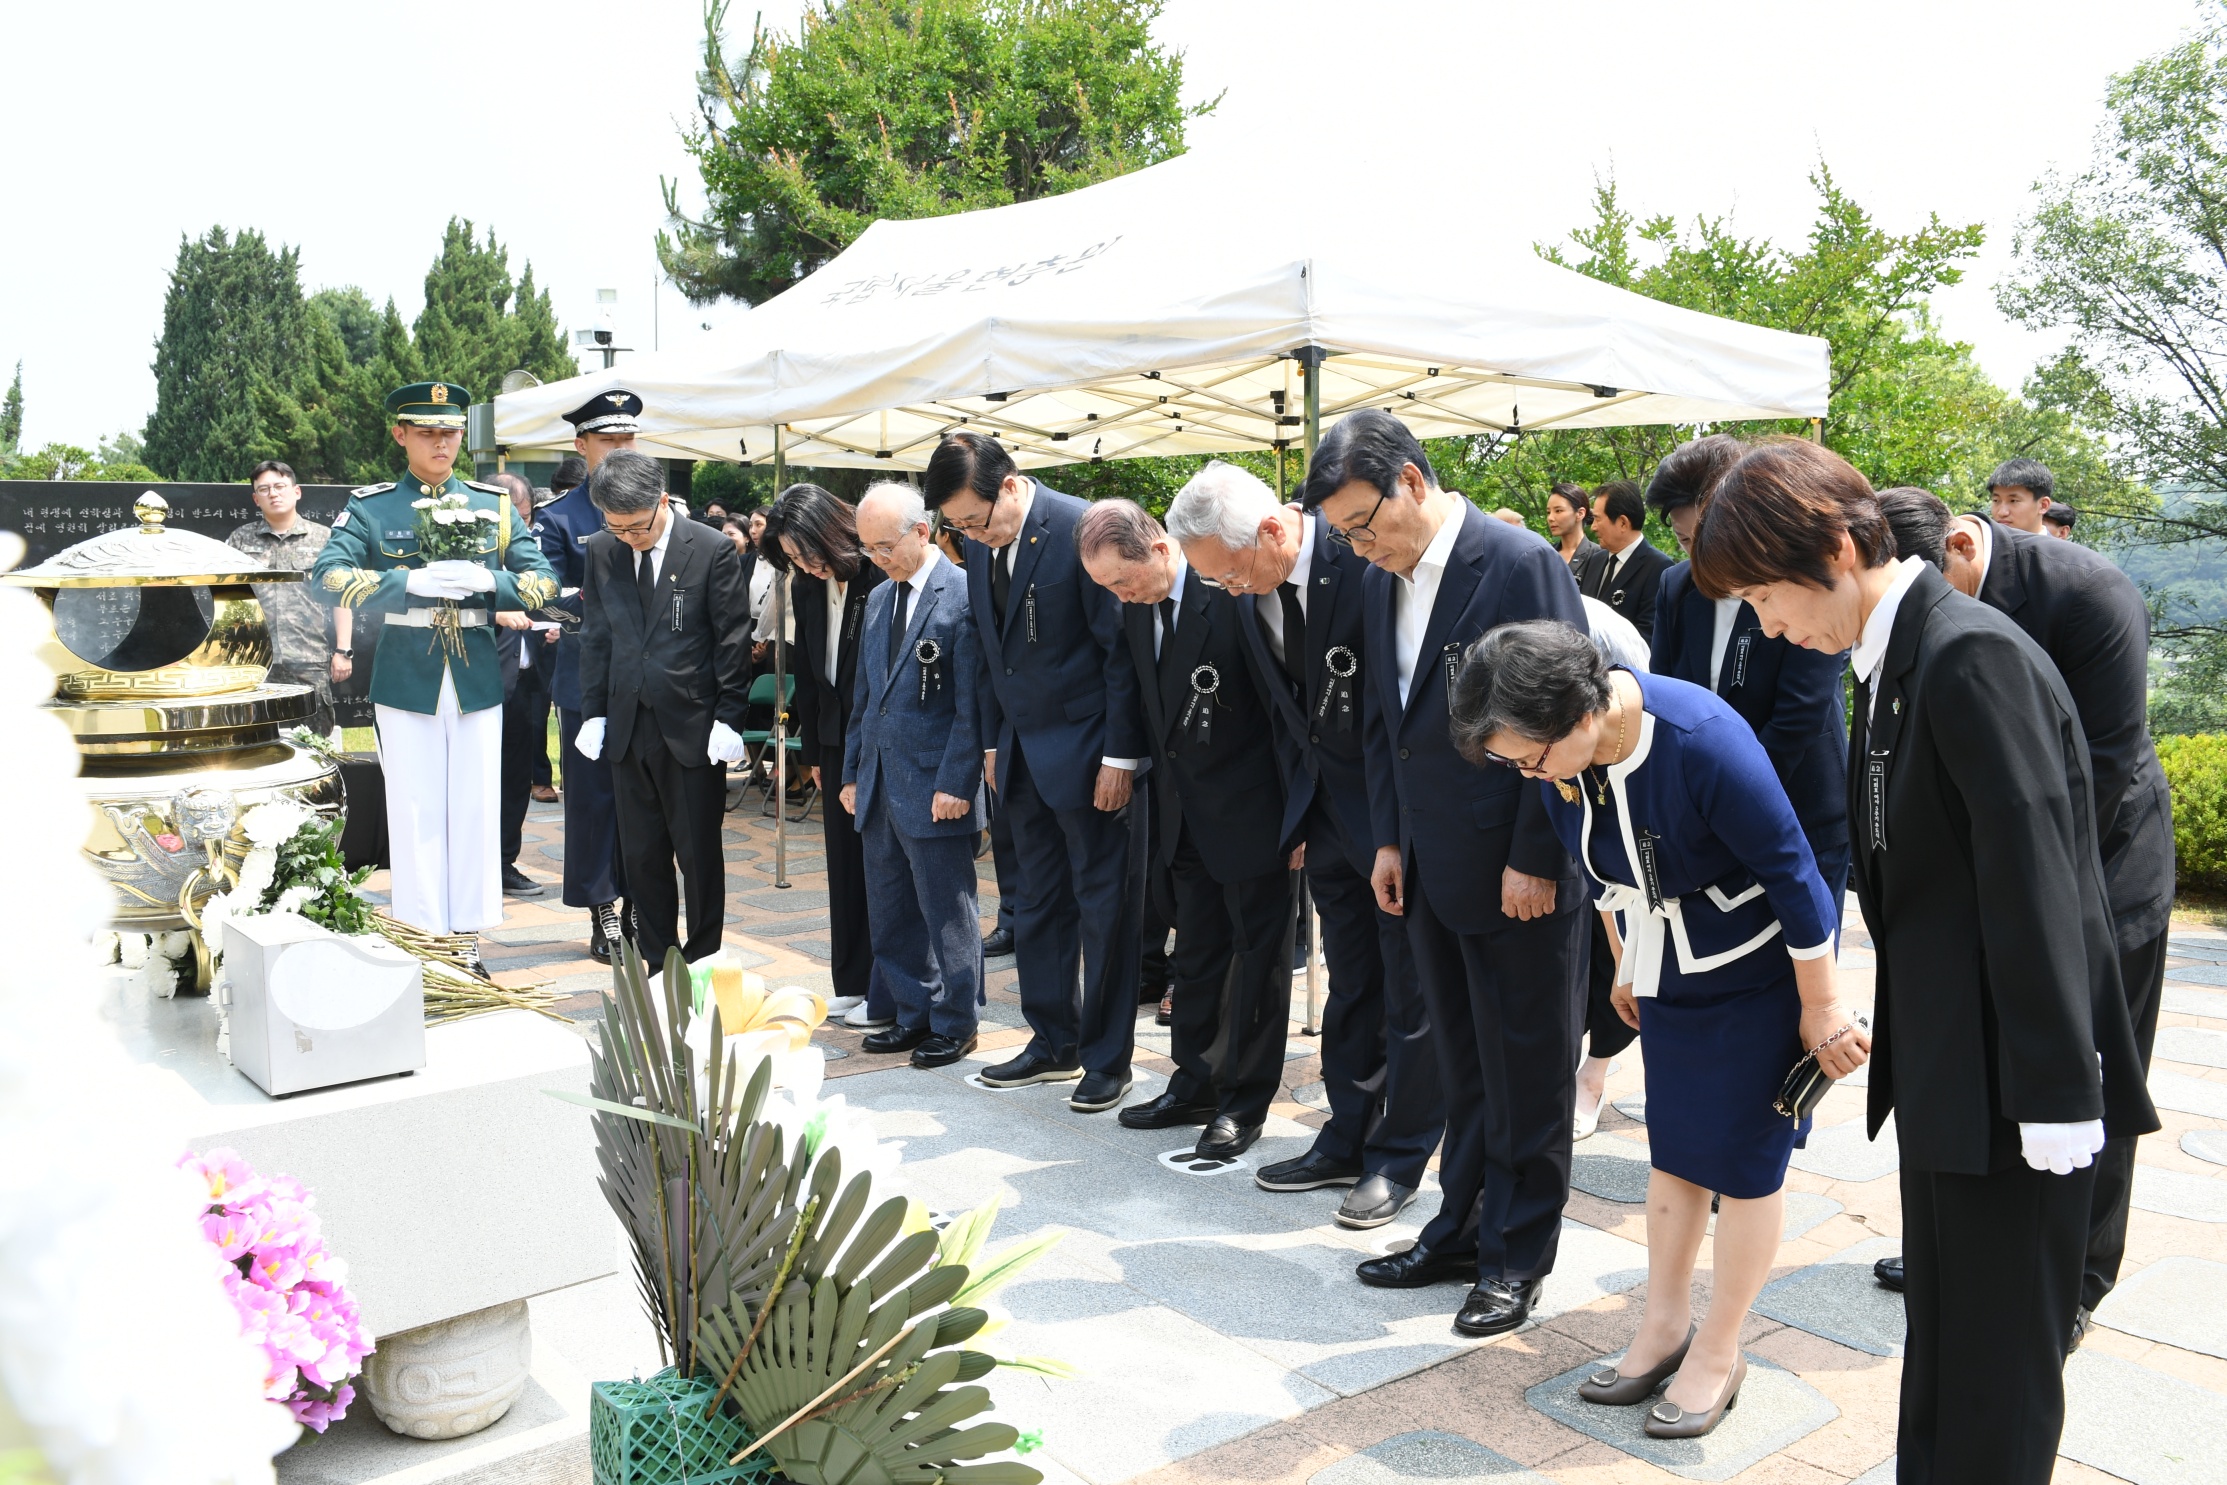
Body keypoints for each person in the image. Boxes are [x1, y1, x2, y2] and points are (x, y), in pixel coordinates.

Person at [1693, 438, 2157, 1485]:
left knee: (1997, 1364)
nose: (1767, 625)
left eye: (1766, 596)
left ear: (1835, 548)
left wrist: (2052, 1090)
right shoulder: (1894, 656)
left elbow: (2036, 878)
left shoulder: (1966, 654)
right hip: (1954, 1068)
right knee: (1946, 1341)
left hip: (2011, 1084)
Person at [1448, 620, 1857, 1437]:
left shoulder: (1700, 738)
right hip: (1668, 966)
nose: (1524, 773)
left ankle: (1719, 1344)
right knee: (1674, 1152)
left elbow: (1793, 871)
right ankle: (1663, 1323)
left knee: (1744, 1165)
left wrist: (1820, 1004)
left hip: (1759, 972)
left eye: (1526, 757)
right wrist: (1627, 963)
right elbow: (1599, 869)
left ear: (1578, 714)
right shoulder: (1561, 756)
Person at [1305, 410, 1587, 1338]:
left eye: (1363, 522)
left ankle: (1515, 1256)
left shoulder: (1514, 564)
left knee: (1527, 1069)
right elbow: (1389, 721)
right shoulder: (1378, 574)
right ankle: (1458, 1227)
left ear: (1413, 483)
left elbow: (1564, 718)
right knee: (1463, 1067)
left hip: (1515, 866)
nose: (1357, 545)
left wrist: (1534, 854)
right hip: (1425, 860)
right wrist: (1388, 839)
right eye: (1342, 532)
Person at [1879, 488, 2177, 1336]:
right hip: (1997, 867)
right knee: (1990, 1053)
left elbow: (2106, 762)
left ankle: (2078, 1270)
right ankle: (1980, 1235)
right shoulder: (1930, 613)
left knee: (2092, 1070)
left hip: (2106, 867)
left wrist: (2030, 900)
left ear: (1960, 550)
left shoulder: (2087, 594)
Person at [1165, 460, 1444, 1228]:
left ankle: (1401, 1151)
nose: (1226, 590)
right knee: (1351, 982)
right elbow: (1286, 714)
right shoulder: (1248, 586)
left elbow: (1397, 707)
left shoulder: (1363, 562)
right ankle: (1347, 1133)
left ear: (1269, 530)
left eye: (1229, 573)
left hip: (1392, 817)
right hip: (1323, 818)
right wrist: (1295, 818)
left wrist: (1392, 829)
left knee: (1407, 989)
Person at [924, 431, 1147, 1114]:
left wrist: (1120, 755)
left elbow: (1119, 651)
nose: (968, 533)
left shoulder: (1083, 525)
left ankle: (1107, 1057)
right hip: (1019, 756)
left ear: (1011, 486)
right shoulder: (985, 542)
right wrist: (991, 742)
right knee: (1035, 906)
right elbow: (992, 652)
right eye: (956, 525)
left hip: (1089, 755)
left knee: (1103, 910)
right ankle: (1054, 1039)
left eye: (975, 518)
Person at [1642, 434, 1851, 1138]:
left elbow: (1796, 718)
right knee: (1717, 981)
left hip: (1795, 812)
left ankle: (1775, 1135)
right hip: (1702, 827)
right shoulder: (1675, 588)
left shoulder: (1803, 578)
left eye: (1698, 533)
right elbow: (1666, 698)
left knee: (1797, 986)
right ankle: (1713, 1130)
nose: (1695, 552)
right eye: (1682, 539)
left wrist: (1723, 802)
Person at [309, 382, 559, 966]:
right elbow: (326, 575)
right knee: (414, 805)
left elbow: (543, 581)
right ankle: (423, 936)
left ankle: (468, 937)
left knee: (475, 804)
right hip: (405, 670)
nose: (442, 443)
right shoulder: (373, 508)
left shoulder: (491, 505)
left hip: (476, 670)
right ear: (400, 435)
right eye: (427, 432)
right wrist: (404, 584)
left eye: (450, 432)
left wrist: (490, 584)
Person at [1079, 498, 1293, 1160]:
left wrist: (1297, 813)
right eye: (1109, 587)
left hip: (1252, 809)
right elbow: (1144, 698)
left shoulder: (1232, 592)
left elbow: (1280, 706)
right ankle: (1194, 1078)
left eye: (1122, 580)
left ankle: (1243, 1100)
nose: (1119, 595)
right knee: (1195, 953)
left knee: (1256, 961)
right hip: (1182, 813)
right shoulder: (1138, 609)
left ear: (1162, 550)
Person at [574, 450, 752, 972]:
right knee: (642, 853)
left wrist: (730, 716)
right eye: (616, 527)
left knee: (697, 852)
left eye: (636, 526)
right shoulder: (603, 549)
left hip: (693, 725)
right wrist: (593, 712)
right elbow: (597, 635)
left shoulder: (711, 547)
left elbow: (731, 638)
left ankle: (702, 957)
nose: (629, 537)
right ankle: (657, 960)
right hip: (628, 723)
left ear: (662, 502)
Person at [841, 482, 984, 1068]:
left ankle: (956, 1021)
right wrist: (852, 771)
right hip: (878, 783)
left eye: (883, 546)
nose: (876, 558)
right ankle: (912, 1011)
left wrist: (957, 783)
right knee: (891, 906)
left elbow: (971, 708)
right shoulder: (878, 598)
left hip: (935, 785)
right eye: (867, 548)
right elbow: (864, 697)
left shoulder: (964, 596)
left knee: (947, 911)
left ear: (921, 532)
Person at [762, 481, 888, 1023]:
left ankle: (888, 984)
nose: (803, 565)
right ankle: (852, 980)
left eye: (805, 552)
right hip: (835, 741)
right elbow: (811, 676)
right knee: (843, 864)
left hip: (881, 741)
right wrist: (812, 751)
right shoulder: (808, 588)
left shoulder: (876, 576)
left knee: (883, 867)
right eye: (790, 557)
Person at [535, 389, 644, 962]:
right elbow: (543, 605)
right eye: (609, 440)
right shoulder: (558, 519)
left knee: (645, 801)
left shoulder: (664, 512)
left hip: (652, 682)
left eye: (629, 438)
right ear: (582, 446)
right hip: (588, 684)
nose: (622, 448)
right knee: (596, 800)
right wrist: (599, 605)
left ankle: (638, 907)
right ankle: (604, 910)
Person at [227, 460, 339, 737]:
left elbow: (340, 596)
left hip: (309, 657)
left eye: (279, 486)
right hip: (254, 660)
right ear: (256, 498)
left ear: (296, 491)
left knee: (316, 741)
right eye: (264, 489)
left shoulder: (324, 538)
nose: (273, 494)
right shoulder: (240, 540)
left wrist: (344, 651)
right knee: (255, 740)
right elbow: (227, 597)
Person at [489, 471, 553, 898]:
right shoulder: (470, 551)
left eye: (524, 516)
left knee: (516, 775)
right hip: (486, 677)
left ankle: (503, 862)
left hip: (533, 676)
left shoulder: (536, 549)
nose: (520, 525)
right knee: (479, 776)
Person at [1580, 480, 1673, 643]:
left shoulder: (1659, 568)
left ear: (1623, 523)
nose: (1593, 527)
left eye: (1597, 519)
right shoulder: (1595, 560)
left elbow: (1647, 637)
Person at [1546, 482, 1604, 585]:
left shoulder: (1599, 555)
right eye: (1548, 512)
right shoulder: (1547, 554)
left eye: (1558, 511)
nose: (1550, 518)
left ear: (1580, 513)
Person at [1987, 457, 2056, 534]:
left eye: (2013, 501)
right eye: (1996, 500)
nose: (2002, 512)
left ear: (2043, 505)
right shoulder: (1982, 545)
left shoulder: (2057, 546)